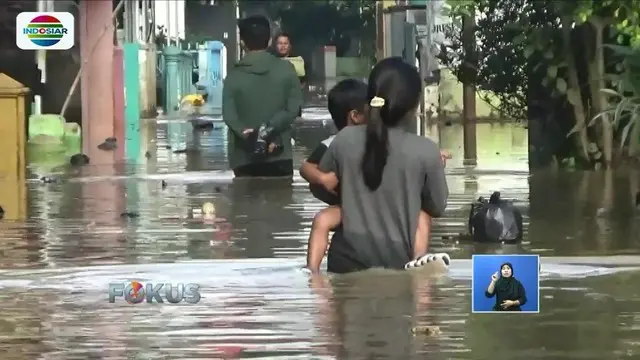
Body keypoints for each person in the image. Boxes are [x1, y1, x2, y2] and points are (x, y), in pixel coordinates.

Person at [307, 57, 449, 274]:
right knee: (422, 214)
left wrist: (355, 198)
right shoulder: (426, 151)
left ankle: (312, 276)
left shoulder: (344, 139)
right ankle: (419, 262)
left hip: (345, 261)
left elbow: (321, 188)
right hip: (399, 261)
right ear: (414, 105)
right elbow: (436, 207)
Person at [222, 16, 303, 178]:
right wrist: (268, 128)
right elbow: (293, 109)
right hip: (279, 154)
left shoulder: (233, 75)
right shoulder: (287, 70)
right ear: (269, 42)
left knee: (244, 200)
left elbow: (229, 116)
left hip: (244, 157)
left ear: (242, 43)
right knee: (282, 200)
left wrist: (245, 132)